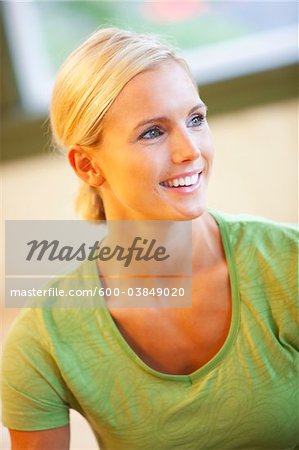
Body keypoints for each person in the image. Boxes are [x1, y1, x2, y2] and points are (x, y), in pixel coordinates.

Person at [1, 27, 298, 450]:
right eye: (153, 132)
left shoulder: (289, 262)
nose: (189, 150)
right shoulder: (41, 342)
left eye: (195, 119)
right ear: (87, 166)